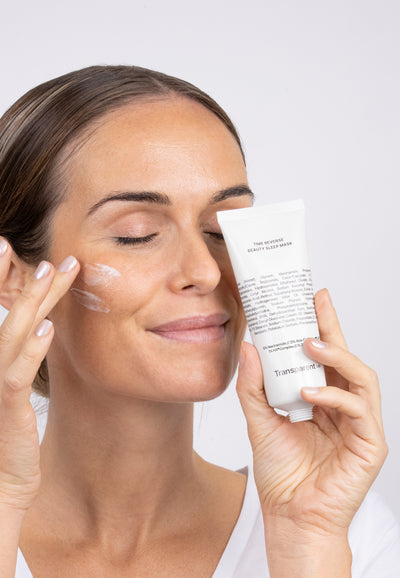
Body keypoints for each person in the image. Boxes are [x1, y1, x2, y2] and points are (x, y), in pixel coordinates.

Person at [0, 65, 399, 578]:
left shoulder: (349, 537)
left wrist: (308, 542)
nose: (206, 272)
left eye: (221, 229)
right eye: (138, 234)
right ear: (14, 277)